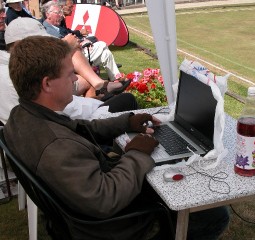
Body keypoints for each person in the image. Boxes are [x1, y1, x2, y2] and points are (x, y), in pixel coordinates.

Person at [4, 35, 230, 240]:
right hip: (112, 228)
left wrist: (126, 122)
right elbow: (105, 198)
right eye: (69, 73)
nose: (75, 77)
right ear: (47, 84)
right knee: (214, 214)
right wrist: (136, 153)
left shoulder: (22, 116)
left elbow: (79, 128)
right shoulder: (57, 148)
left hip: (77, 213)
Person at [0, 17, 138, 124]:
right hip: (68, 128)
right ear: (23, 45)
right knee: (127, 100)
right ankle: (100, 87)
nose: (44, 47)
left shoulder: (12, 67)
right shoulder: (26, 74)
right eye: (41, 43)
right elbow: (62, 111)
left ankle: (100, 86)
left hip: (54, 126)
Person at [42, 1, 122, 81]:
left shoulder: (57, 26)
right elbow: (63, 46)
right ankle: (110, 79)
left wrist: (83, 40)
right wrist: (82, 43)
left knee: (106, 54)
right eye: (58, 13)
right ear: (47, 14)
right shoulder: (48, 30)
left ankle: (116, 79)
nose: (60, 15)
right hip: (73, 57)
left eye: (60, 12)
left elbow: (71, 35)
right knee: (102, 44)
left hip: (78, 52)